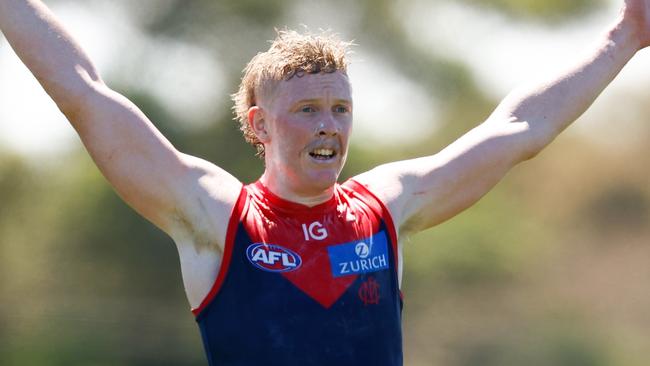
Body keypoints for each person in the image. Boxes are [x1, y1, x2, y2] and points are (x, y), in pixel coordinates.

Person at [1, 0, 649, 365]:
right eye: (307, 110)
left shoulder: (387, 207)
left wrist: (626, 37)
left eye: (340, 108)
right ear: (259, 125)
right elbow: (85, 95)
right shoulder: (215, 216)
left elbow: (518, 129)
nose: (329, 126)